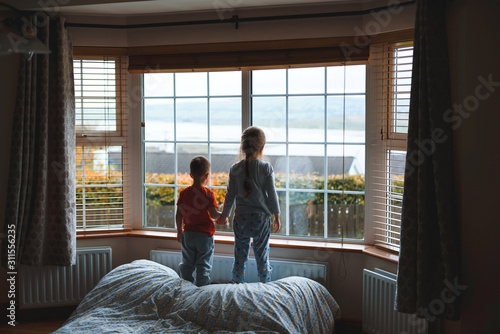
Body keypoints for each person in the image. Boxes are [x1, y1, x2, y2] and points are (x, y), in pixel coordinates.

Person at [216, 126, 281, 283]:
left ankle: (236, 287)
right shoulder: (265, 167)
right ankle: (266, 288)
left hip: (241, 219)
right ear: (262, 147)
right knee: (262, 258)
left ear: (243, 146)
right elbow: (271, 194)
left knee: (239, 258)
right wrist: (277, 216)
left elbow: (230, 195)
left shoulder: (234, 168)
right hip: (260, 219)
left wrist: (224, 215)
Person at [176, 156, 221, 286]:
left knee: (187, 264)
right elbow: (213, 214)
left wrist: (179, 230)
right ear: (207, 175)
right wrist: (223, 215)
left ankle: (185, 287)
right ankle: (202, 289)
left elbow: (179, 214)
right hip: (204, 236)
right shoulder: (209, 194)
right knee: (203, 265)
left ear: (191, 175)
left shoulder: (184, 193)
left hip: (188, 234)